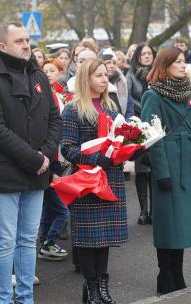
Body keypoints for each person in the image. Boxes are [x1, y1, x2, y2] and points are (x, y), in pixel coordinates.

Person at [0, 21, 62, 304]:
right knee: (5, 242)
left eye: (27, 40)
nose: (26, 45)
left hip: (38, 170)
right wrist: (34, 158)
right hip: (6, 172)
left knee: (27, 240)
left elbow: (54, 120)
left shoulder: (37, 76)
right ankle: (2, 299)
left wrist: (46, 156)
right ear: (2, 46)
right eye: (19, 41)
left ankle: (25, 298)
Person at [61, 58, 128, 304]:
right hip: (87, 181)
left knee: (105, 238)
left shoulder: (111, 107)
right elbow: (67, 148)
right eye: (98, 75)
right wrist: (96, 158)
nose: (104, 80)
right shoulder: (73, 109)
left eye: (105, 75)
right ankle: (91, 288)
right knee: (89, 239)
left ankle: (101, 284)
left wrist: (131, 148)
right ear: (85, 78)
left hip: (110, 178)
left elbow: (121, 141)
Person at [141, 46, 191, 294]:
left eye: (184, 61)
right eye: (178, 62)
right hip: (169, 164)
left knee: (181, 223)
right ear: (165, 65)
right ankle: (166, 275)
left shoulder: (186, 92)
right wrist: (162, 172)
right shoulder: (154, 95)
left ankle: (177, 273)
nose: (184, 65)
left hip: (186, 163)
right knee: (168, 224)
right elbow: (152, 136)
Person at [37, 58, 70, 261]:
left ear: (60, 72)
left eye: (52, 70)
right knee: (59, 209)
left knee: (50, 207)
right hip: (50, 158)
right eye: (45, 70)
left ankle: (44, 243)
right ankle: (47, 242)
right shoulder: (43, 95)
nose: (48, 73)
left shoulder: (63, 95)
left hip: (60, 157)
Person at [126, 42, 156, 225]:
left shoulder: (160, 73)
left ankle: (154, 210)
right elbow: (128, 98)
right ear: (137, 56)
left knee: (155, 168)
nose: (146, 56)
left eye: (149, 53)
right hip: (138, 124)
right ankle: (143, 210)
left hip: (157, 124)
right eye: (143, 54)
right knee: (141, 169)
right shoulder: (131, 75)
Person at [100, 48, 134, 121]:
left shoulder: (122, 81)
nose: (112, 66)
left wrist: (126, 124)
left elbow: (129, 108)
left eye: (114, 63)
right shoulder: (97, 83)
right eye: (108, 62)